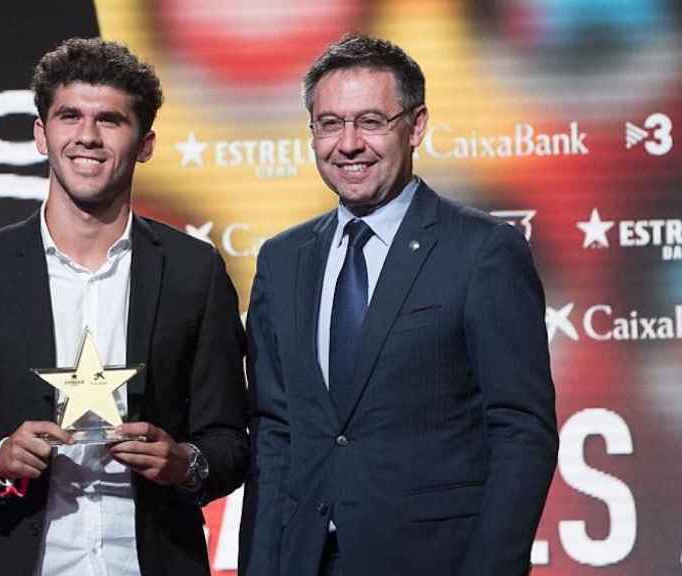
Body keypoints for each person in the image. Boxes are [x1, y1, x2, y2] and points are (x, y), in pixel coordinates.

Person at [0, 37, 248, 576]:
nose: (87, 136)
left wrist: (184, 463)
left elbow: (230, 440)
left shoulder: (193, 272)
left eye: (110, 120)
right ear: (42, 134)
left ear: (146, 143)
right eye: (70, 117)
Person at [239, 34, 558, 576]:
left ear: (417, 126)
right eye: (330, 124)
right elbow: (276, 434)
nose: (349, 144)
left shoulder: (482, 251)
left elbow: (521, 431)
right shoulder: (282, 259)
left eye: (371, 121)